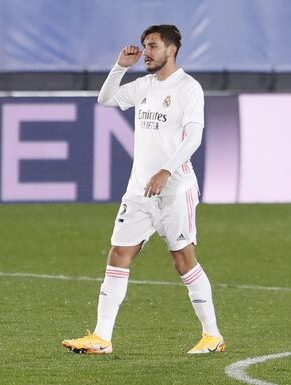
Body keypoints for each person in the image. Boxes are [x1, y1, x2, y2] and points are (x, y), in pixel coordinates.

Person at [62, 24, 225, 355]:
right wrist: (120, 67)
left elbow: (193, 137)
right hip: (138, 191)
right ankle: (102, 338)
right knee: (119, 254)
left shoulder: (188, 89)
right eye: (144, 46)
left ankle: (212, 335)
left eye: (152, 46)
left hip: (175, 189)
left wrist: (166, 170)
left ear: (172, 49)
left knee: (183, 260)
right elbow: (105, 98)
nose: (146, 52)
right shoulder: (144, 85)